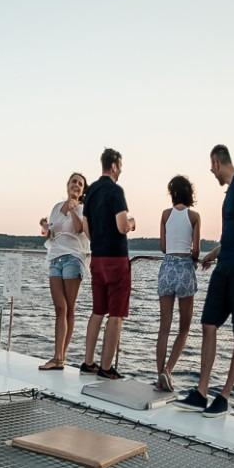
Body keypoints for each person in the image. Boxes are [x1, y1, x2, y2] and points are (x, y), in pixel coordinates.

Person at [178, 145, 234, 417]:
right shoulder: (229, 194)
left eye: (211, 166)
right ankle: (201, 392)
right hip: (224, 267)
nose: (211, 171)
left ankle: (224, 396)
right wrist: (214, 254)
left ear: (217, 162)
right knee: (208, 324)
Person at [80, 148, 135, 380]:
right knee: (116, 314)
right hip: (116, 258)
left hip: (97, 257)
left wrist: (98, 240)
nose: (120, 170)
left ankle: (88, 362)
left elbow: (85, 227)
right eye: (120, 166)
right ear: (113, 166)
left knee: (97, 311)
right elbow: (122, 226)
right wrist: (132, 223)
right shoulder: (115, 190)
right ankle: (106, 367)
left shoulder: (91, 191)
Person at [153, 176, 201, 392]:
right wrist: (193, 257)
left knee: (164, 328)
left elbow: (163, 247)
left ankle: (159, 376)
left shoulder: (165, 215)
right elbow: (196, 251)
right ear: (189, 193)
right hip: (184, 269)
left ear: (172, 193)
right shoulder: (194, 216)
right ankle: (168, 370)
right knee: (184, 327)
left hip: (167, 268)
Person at [39, 172, 89, 370]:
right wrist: (45, 227)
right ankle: (58, 357)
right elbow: (51, 234)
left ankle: (60, 356)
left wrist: (74, 208)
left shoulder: (83, 209)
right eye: (74, 181)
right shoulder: (55, 208)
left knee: (68, 307)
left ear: (82, 190)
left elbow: (78, 229)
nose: (76, 185)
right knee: (59, 307)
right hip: (55, 259)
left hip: (73, 259)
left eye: (80, 184)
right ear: (67, 184)